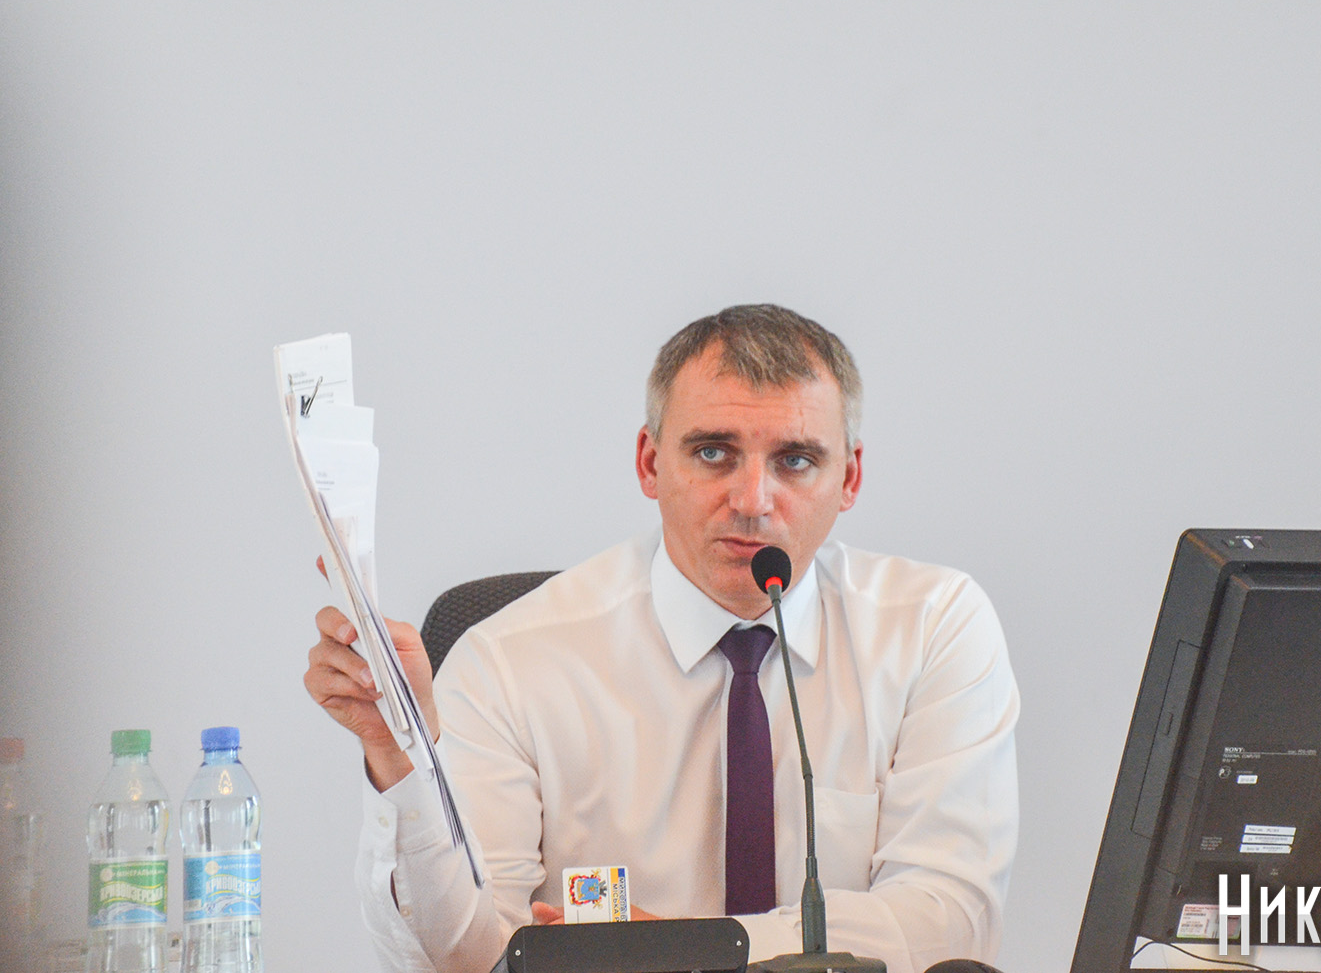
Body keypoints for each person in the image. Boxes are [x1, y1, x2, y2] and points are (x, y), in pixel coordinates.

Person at [305, 305, 1020, 973]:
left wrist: (686, 952)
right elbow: (465, 959)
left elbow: (949, 925)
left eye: (796, 461)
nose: (752, 501)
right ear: (650, 463)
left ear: (850, 478)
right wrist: (402, 764)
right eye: (713, 453)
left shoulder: (932, 628)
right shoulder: (510, 659)